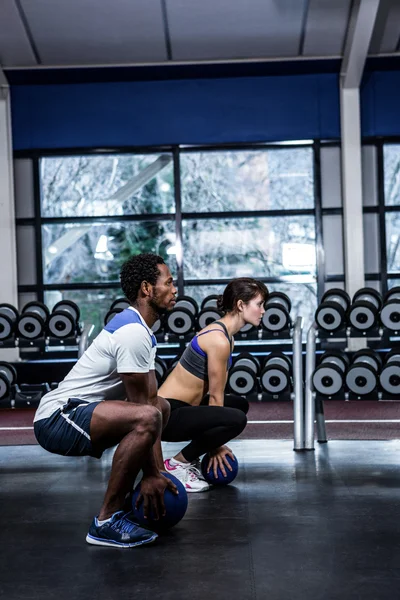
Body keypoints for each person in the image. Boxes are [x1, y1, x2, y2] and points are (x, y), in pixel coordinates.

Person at [33, 253, 178, 548]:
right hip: (58, 417)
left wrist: (158, 472)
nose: (175, 290)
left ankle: (125, 507)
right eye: (169, 282)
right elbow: (143, 410)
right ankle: (105, 521)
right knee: (148, 417)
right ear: (147, 289)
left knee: (161, 407)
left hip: (83, 412)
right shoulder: (132, 332)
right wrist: (151, 475)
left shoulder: (141, 330)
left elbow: (152, 401)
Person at [159, 278, 268, 492]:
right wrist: (215, 446)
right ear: (240, 305)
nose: (263, 311)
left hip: (186, 408)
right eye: (259, 304)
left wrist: (213, 441)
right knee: (236, 419)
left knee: (238, 405)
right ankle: (176, 464)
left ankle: (189, 459)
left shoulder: (226, 336)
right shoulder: (218, 340)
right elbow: (216, 398)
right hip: (168, 416)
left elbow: (213, 394)